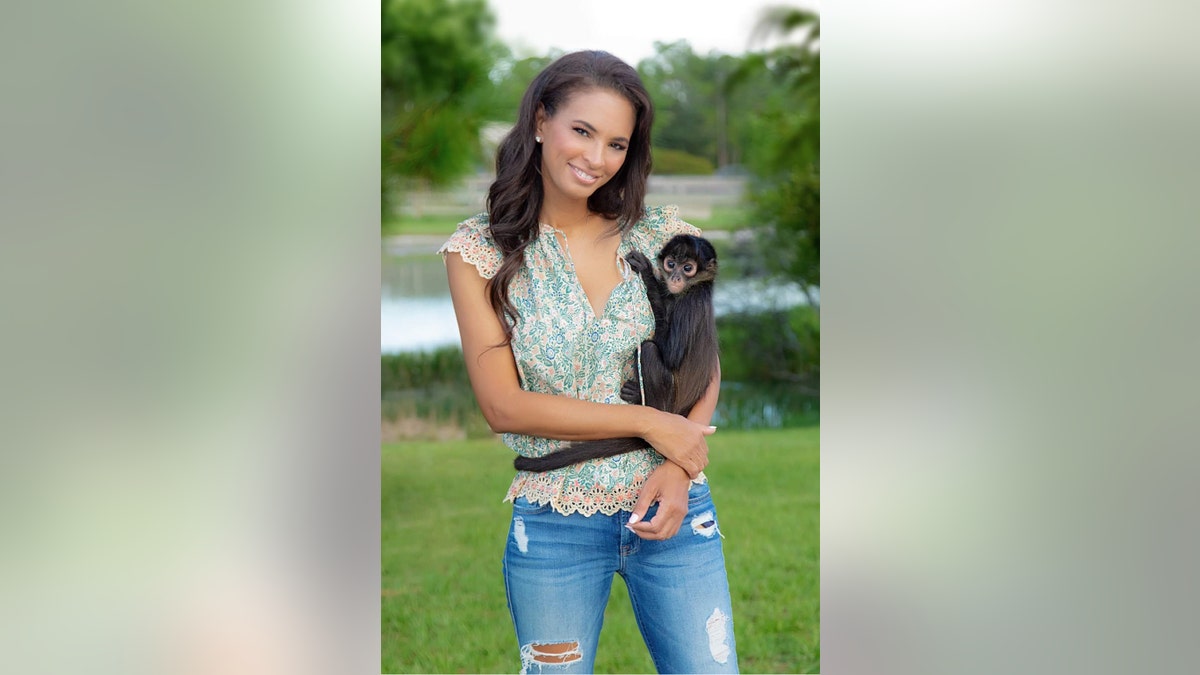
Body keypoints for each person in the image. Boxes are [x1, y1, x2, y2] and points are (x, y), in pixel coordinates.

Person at [440, 50, 738, 674]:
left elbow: (703, 367)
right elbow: (502, 406)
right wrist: (652, 424)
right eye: (582, 131)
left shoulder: (660, 237)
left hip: (676, 508)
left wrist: (680, 470)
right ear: (542, 120)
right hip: (554, 523)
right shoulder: (477, 251)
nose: (596, 158)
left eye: (617, 144)